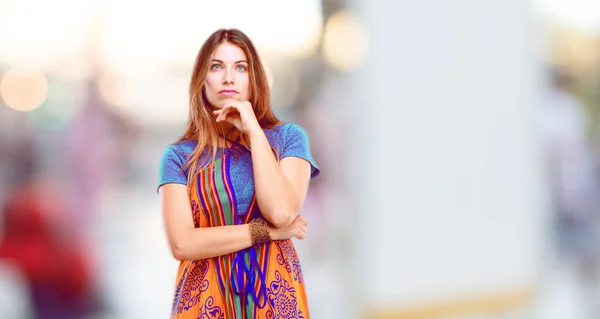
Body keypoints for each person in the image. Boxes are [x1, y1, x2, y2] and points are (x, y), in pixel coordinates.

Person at [157, 28, 320, 318]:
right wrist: (267, 233)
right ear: (201, 81)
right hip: (203, 304)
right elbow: (182, 243)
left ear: (253, 78)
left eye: (240, 67)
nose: (228, 78)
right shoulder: (179, 157)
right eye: (216, 67)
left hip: (274, 299)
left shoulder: (288, 139)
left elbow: (281, 212)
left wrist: (254, 132)